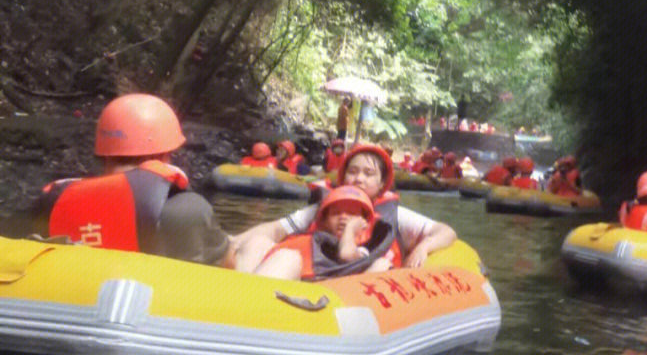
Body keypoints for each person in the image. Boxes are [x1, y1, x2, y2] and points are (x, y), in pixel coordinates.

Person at [40, 93, 235, 268]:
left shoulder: (50, 204)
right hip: (159, 304)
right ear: (166, 153)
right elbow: (229, 271)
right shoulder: (185, 208)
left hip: (84, 301)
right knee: (258, 240)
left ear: (104, 152)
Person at [232, 141, 458, 272]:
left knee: (379, 265)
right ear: (343, 176)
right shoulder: (327, 206)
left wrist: (423, 247)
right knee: (257, 242)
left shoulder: (395, 215)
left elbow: (446, 232)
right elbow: (275, 229)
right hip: (312, 271)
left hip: (353, 283)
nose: (358, 179)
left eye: (368, 174)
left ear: (381, 184)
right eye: (352, 171)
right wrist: (235, 240)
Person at [254, 186, 397, 280]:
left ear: (364, 224)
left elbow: (346, 254)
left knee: (382, 264)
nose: (343, 217)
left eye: (352, 214)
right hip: (294, 281)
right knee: (259, 243)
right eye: (336, 213)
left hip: (333, 297)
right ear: (324, 221)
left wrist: (349, 230)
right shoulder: (313, 240)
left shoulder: (363, 250)